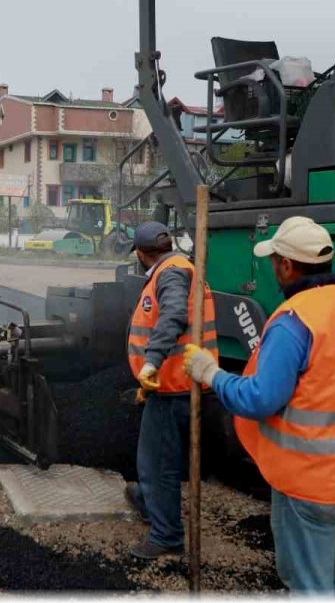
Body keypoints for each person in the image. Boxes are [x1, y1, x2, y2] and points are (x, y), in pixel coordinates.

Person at [183, 216, 335, 594]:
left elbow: (259, 399)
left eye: (273, 262)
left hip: (315, 480)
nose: (273, 269)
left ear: (286, 266)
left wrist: (211, 374)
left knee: (310, 588)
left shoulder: (295, 321)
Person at [122, 222, 217, 560]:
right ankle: (149, 499)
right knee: (156, 457)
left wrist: (151, 363)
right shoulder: (180, 267)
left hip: (172, 386)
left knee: (157, 462)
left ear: (141, 253)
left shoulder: (171, 274)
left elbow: (174, 315)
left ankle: (166, 535)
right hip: (177, 383)